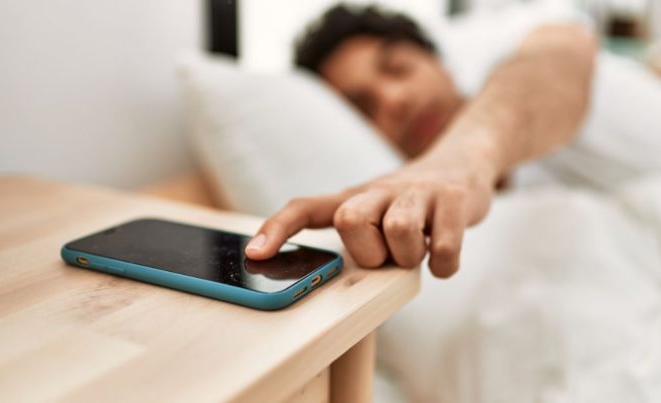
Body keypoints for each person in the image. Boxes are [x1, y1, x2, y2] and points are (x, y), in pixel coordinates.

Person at [243, 4, 599, 278]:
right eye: (365, 109)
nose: (395, 100)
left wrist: (462, 158)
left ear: (439, 62)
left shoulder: (522, 62)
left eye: (398, 68)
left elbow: (563, 52)